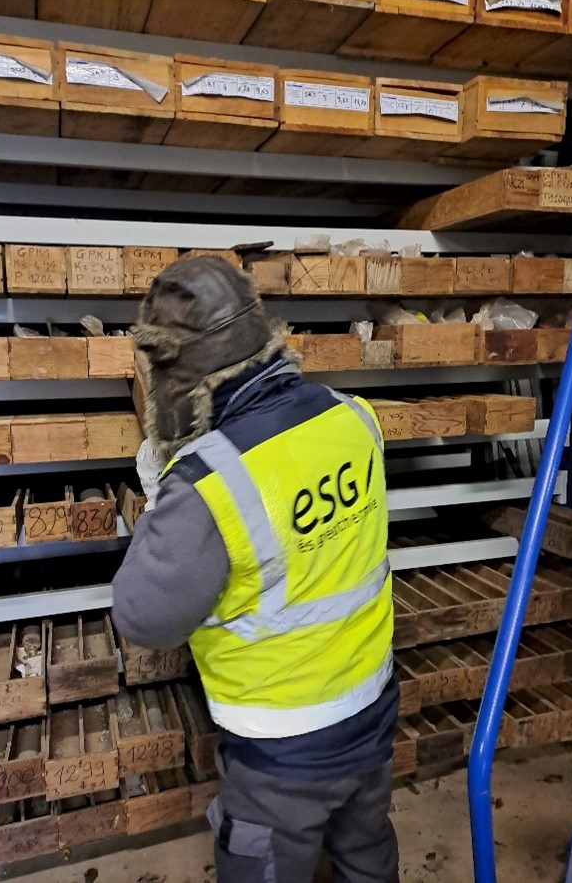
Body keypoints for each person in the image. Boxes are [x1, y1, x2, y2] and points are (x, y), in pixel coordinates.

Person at [112, 255, 399, 883]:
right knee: (367, 853)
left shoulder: (209, 481)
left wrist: (166, 495)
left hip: (281, 754)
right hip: (372, 713)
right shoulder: (353, 417)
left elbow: (143, 617)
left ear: (177, 370)